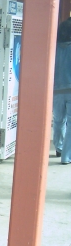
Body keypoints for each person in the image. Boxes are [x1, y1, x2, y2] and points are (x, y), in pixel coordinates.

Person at [53, 17, 71, 165]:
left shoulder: (53, 48)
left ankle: (58, 147)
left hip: (56, 90)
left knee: (59, 120)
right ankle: (66, 156)